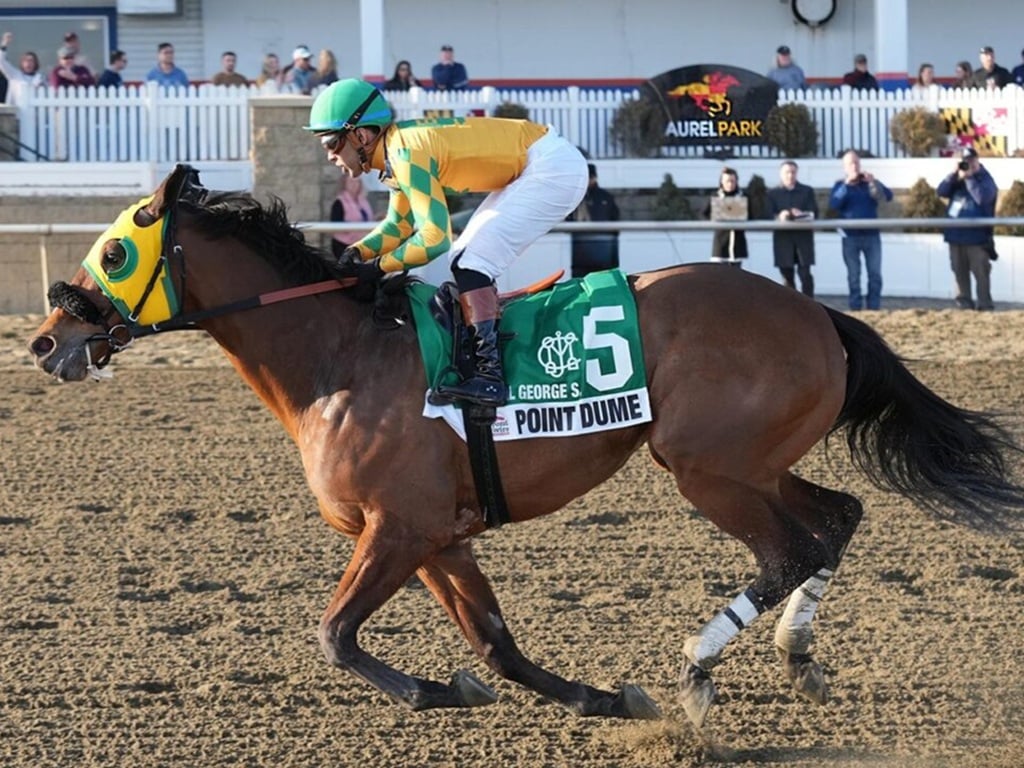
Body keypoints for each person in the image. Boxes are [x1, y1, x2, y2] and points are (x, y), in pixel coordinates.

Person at [303, 79, 588, 406]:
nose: (329, 156)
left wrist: (378, 266)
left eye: (330, 143)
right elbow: (399, 225)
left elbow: (435, 239)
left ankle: (490, 378)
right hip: (540, 162)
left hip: (552, 169)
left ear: (360, 135)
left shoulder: (405, 151)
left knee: (470, 262)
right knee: (465, 259)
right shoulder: (398, 150)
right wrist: (358, 252)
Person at [828, 150, 893, 310]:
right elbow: (834, 204)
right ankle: (855, 308)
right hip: (850, 237)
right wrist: (847, 184)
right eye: (850, 163)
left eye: (856, 162)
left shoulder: (868, 183)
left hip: (871, 236)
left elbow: (888, 196)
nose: (854, 166)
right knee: (853, 276)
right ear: (845, 167)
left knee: (875, 275)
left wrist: (873, 182)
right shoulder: (840, 185)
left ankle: (874, 308)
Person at [936, 147, 999, 311]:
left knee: (981, 274)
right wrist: (954, 175)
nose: (968, 164)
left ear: (977, 160)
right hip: (955, 236)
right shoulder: (956, 179)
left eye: (971, 160)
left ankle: (985, 306)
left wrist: (970, 178)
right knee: (959, 273)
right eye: (964, 161)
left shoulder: (986, 179)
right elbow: (941, 191)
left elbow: (983, 198)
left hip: (978, 238)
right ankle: (964, 305)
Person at [767, 160, 818, 297]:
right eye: (787, 172)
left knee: (805, 275)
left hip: (803, 239)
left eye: (793, 172)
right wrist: (780, 216)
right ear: (781, 174)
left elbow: (814, 212)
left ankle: (810, 305)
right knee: (787, 277)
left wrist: (801, 214)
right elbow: (767, 215)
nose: (790, 175)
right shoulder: (773, 193)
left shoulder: (807, 191)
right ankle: (792, 309)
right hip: (783, 239)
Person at [569, 163, 620, 277]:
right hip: (580, 254)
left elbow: (615, 222)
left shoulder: (606, 197)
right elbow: (569, 220)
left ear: (594, 178)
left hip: (604, 253)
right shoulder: (576, 197)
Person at [702, 167, 748, 268]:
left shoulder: (743, 196)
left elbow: (751, 215)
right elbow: (705, 214)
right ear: (722, 182)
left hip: (737, 245)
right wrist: (716, 218)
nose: (730, 184)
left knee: (736, 278)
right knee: (718, 278)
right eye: (727, 181)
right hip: (720, 244)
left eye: (732, 181)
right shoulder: (715, 196)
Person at [329, 175, 376, 260]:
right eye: (351, 182)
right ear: (344, 184)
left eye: (357, 182)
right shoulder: (339, 202)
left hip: (362, 243)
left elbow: (365, 219)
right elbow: (335, 224)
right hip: (344, 245)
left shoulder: (363, 201)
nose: (354, 184)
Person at [0, 32, 44, 104]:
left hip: (34, 113)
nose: (28, 63)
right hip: (16, 113)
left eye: (31, 61)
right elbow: (1, 61)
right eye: (26, 60)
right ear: (22, 63)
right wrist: (4, 43)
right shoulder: (14, 74)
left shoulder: (40, 77)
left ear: (36, 63)